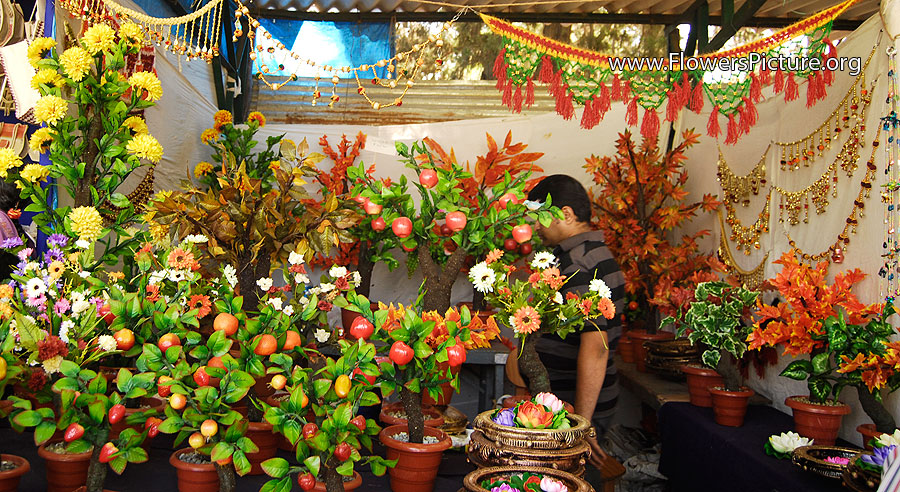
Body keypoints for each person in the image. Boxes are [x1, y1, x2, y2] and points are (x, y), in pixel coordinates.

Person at [527, 174, 625, 473]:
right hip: (569, 399)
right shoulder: (587, 254)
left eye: (540, 218)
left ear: (565, 214)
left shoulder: (578, 264)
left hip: (577, 404)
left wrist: (581, 425)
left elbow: (596, 347)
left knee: (571, 477)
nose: (536, 227)